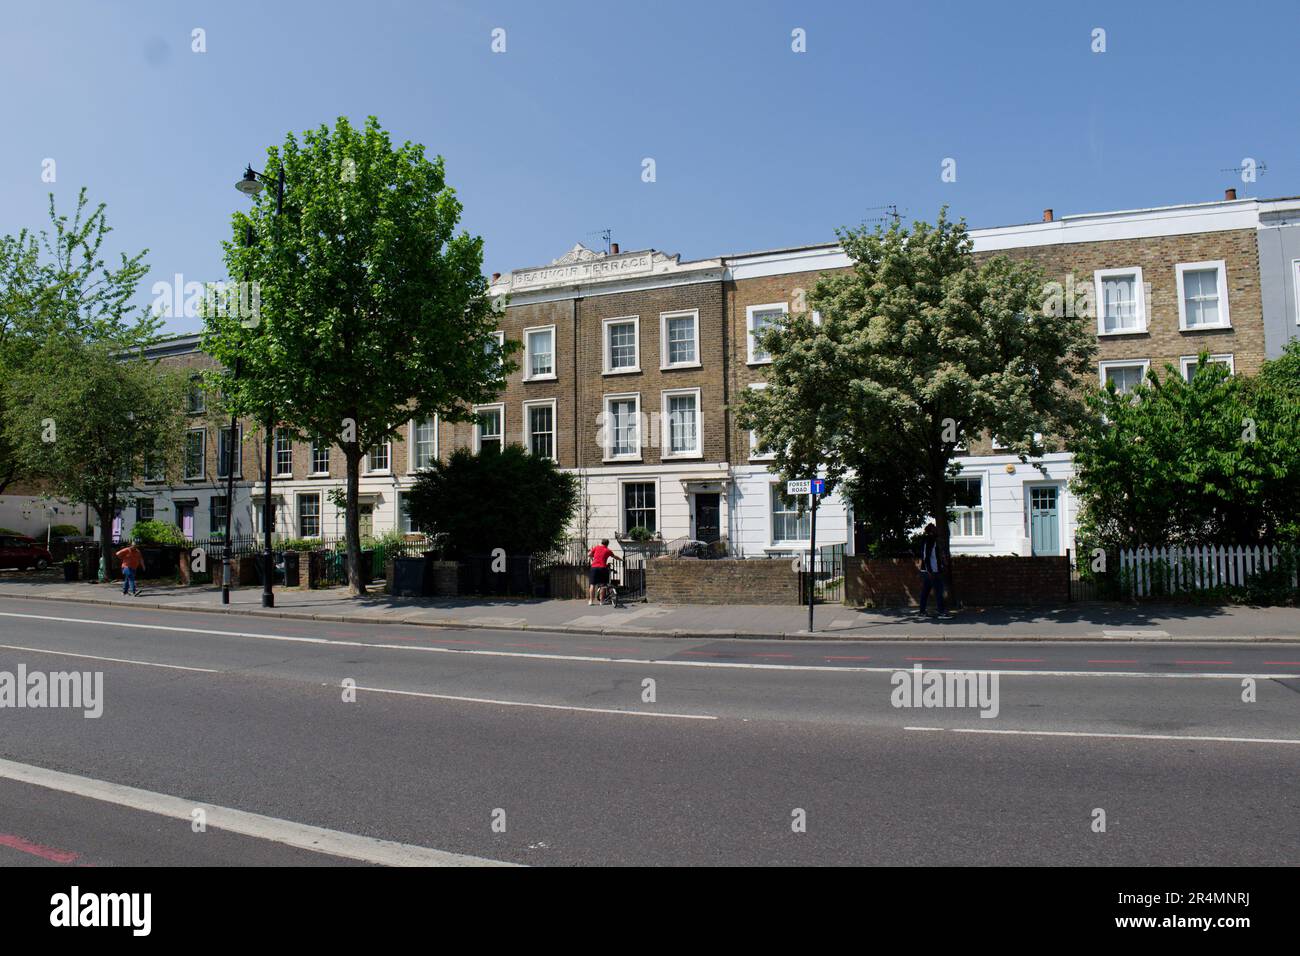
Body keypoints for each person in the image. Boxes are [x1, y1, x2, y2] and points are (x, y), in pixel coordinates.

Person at [917, 524, 946, 616]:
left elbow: (934, 556)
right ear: (931, 531)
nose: (937, 529)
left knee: (925, 592)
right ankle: (941, 612)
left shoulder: (932, 540)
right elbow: (926, 557)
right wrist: (929, 570)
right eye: (934, 528)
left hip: (931, 570)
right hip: (931, 571)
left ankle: (922, 612)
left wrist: (942, 563)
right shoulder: (929, 540)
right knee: (939, 591)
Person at [587, 538, 622, 605]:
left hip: (594, 567)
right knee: (603, 585)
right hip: (602, 568)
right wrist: (621, 560)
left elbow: (589, 555)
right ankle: (601, 601)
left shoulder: (596, 547)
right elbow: (614, 557)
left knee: (592, 585)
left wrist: (593, 558)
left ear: (601, 543)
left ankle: (591, 601)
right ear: (607, 544)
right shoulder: (608, 550)